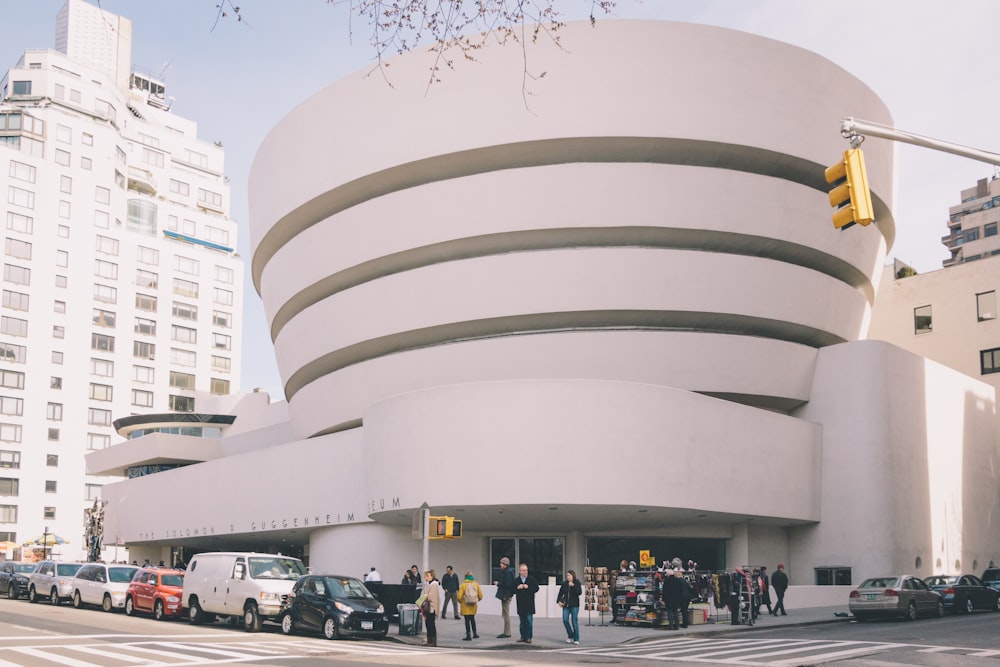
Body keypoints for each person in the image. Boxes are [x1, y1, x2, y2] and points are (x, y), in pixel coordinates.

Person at [513, 563, 539, 643]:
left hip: (529, 604)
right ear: (520, 571)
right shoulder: (517, 580)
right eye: (523, 570)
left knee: (529, 621)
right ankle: (522, 636)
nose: (525, 572)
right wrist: (518, 587)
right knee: (522, 621)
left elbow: (536, 588)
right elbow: (512, 590)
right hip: (520, 604)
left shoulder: (531, 579)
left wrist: (528, 587)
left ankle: (529, 637)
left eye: (526, 570)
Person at [556, 569, 582, 644]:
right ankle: (570, 635)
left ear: (573, 576)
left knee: (574, 621)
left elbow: (579, 592)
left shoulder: (577, 582)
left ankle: (576, 638)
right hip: (566, 605)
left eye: (569, 575)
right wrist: (559, 601)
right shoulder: (564, 584)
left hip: (574, 605)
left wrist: (573, 586)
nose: (568, 577)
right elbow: (560, 593)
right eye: (567, 575)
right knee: (565, 620)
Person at [457, 570, 483, 640]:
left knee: (467, 620)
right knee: (472, 619)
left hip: (465, 605)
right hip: (473, 605)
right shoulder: (476, 584)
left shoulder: (463, 585)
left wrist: (461, 602)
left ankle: (468, 635)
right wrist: (477, 600)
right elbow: (480, 595)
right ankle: (475, 633)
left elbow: (459, 596)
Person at [494, 556, 515, 638]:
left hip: (506, 595)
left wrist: (498, 584)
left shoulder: (507, 573)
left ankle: (507, 632)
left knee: (505, 614)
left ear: (505, 564)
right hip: (506, 594)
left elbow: (507, 585)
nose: (500, 565)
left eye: (501, 563)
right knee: (505, 613)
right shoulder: (508, 572)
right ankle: (506, 631)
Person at [421, 569, 441, 647]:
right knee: (427, 624)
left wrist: (424, 597)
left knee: (431, 624)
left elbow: (431, 596)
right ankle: (429, 640)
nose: (426, 577)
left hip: (431, 607)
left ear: (432, 576)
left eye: (427, 575)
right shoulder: (427, 584)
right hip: (426, 606)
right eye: (425, 576)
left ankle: (433, 641)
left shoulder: (434, 585)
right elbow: (423, 593)